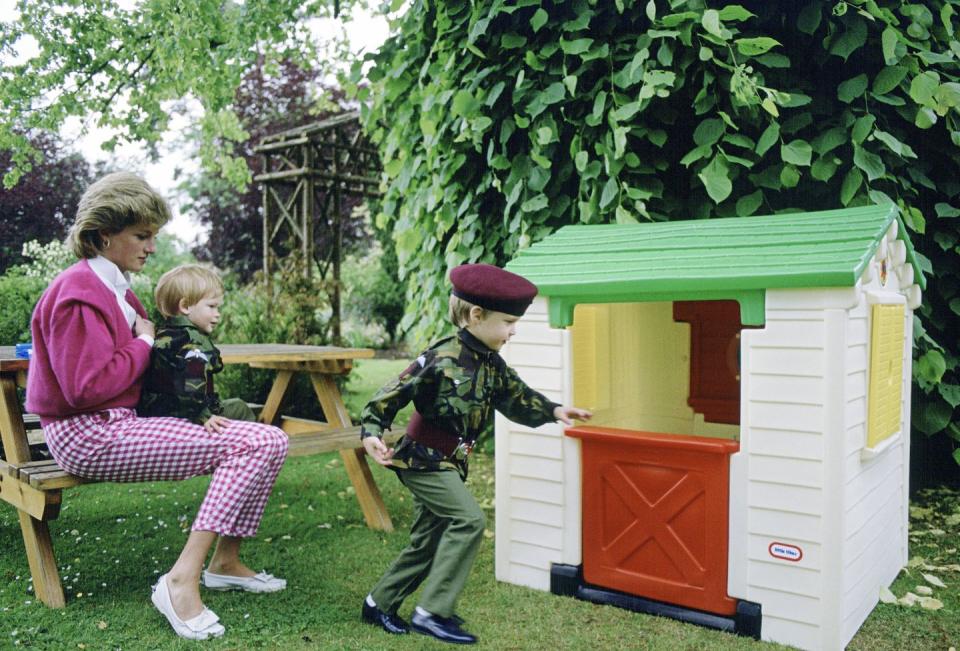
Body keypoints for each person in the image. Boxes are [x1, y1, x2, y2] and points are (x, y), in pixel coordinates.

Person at [25, 172, 289, 641]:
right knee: (258, 442)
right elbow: (84, 388)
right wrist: (144, 344)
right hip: (89, 433)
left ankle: (225, 562)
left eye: (154, 236)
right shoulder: (78, 293)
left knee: (267, 441)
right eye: (142, 235)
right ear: (104, 235)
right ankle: (181, 580)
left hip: (118, 423)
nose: (151, 246)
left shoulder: (116, 287)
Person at [359, 263, 592, 645]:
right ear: (476, 316)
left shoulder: (491, 364)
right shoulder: (441, 357)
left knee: (428, 542)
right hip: (423, 459)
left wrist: (554, 410)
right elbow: (390, 394)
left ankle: (377, 602)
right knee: (468, 521)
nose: (513, 330)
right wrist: (371, 431)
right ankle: (432, 612)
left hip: (450, 461)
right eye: (508, 322)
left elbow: (517, 396)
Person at [138, 264, 256, 430]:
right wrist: (203, 414)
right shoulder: (192, 344)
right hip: (185, 415)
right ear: (185, 306)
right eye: (212, 306)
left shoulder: (164, 334)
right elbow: (191, 383)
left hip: (156, 412)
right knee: (239, 407)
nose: (218, 313)